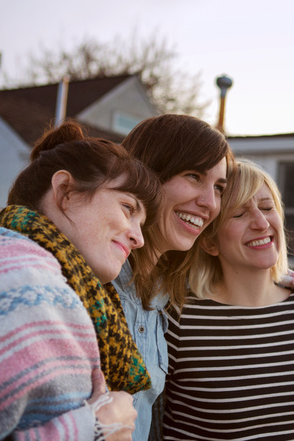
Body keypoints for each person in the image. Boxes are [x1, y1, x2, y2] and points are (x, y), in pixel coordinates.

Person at [0, 120, 163, 440]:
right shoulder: (24, 290)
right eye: (128, 208)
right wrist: (96, 428)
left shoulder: (11, 269)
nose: (138, 237)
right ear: (65, 192)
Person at [161, 159, 294, 440]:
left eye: (268, 208)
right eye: (239, 214)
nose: (261, 222)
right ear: (209, 242)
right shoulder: (179, 319)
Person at [110, 114, 232, 440]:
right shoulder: (84, 277)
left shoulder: (163, 296)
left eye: (219, 188)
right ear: (145, 173)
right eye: (193, 176)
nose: (210, 203)